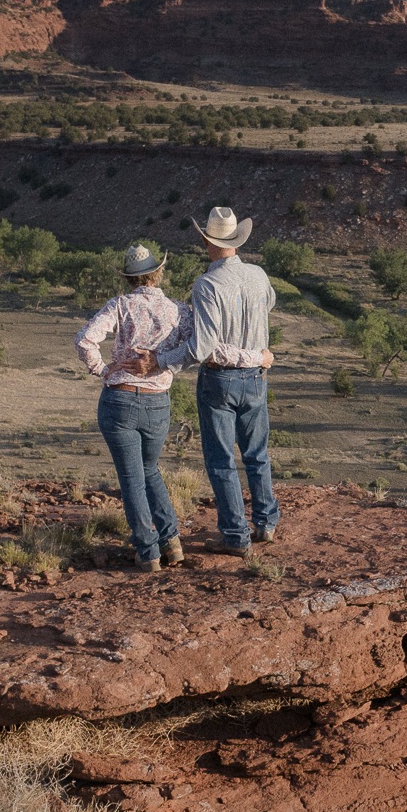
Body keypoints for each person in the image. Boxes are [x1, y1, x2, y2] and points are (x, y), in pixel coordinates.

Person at [132, 206, 278, 554]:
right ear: (236, 239)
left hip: (220, 380)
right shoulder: (258, 275)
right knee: (257, 453)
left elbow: (202, 347)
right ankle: (266, 523)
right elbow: (268, 304)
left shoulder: (207, 283)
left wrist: (161, 361)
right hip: (257, 374)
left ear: (205, 241)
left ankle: (235, 535)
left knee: (221, 459)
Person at [75, 244, 193, 571]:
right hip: (158, 402)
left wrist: (101, 369)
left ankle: (147, 552)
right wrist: (164, 362)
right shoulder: (179, 310)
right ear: (159, 272)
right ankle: (172, 542)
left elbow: (85, 339)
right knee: (149, 469)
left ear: (129, 278)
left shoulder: (120, 305)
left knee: (131, 478)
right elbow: (196, 348)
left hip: (120, 398)